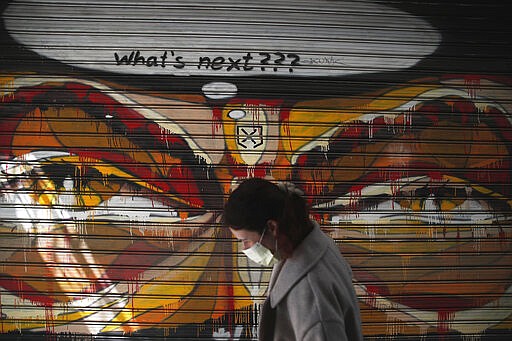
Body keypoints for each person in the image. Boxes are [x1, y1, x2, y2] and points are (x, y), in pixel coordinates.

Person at [223, 178, 363, 341]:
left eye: (246, 240)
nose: (245, 248)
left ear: (272, 227)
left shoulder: (310, 295)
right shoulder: (308, 242)